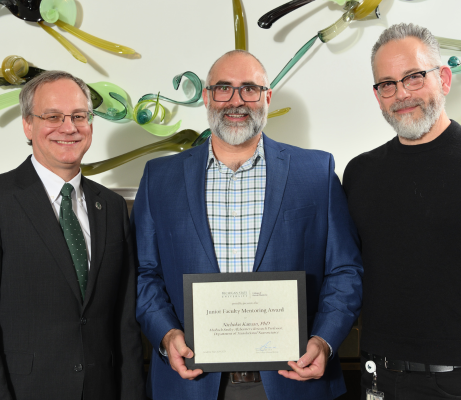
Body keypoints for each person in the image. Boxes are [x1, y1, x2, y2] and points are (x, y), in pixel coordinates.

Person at [133, 49, 363, 400]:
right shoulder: (158, 178)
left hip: (295, 379)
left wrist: (324, 339)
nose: (236, 101)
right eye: (223, 88)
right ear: (207, 98)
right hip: (192, 382)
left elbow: (345, 269)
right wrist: (166, 336)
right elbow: (145, 273)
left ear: (267, 98)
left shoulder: (315, 172)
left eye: (250, 89)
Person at [343, 23, 461, 399]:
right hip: (379, 379)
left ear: (443, 79)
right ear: (377, 96)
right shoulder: (359, 174)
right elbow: (346, 272)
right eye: (387, 84)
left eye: (413, 78)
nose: (401, 95)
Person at [0, 71, 146, 400]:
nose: (69, 127)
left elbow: (124, 321)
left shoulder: (114, 207)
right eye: (52, 116)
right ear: (27, 125)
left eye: (79, 116)